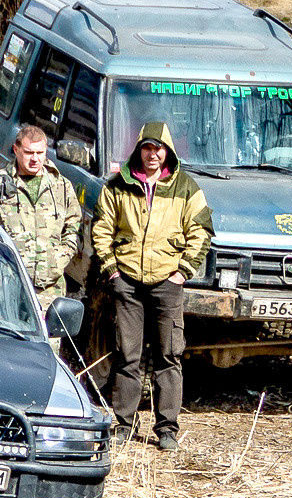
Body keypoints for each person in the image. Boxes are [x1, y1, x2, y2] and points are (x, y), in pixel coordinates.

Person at [90, 121, 212, 452]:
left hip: (167, 284)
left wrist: (182, 272)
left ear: (167, 152)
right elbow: (101, 226)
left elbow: (201, 230)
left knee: (168, 357)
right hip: (127, 282)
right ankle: (124, 424)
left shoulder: (185, 187)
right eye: (147, 147)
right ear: (138, 149)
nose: (152, 154)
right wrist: (112, 270)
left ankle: (167, 429)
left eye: (159, 148)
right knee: (127, 355)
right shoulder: (118, 185)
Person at [3, 126, 89, 303]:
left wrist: (60, 258)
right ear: (16, 150)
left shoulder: (61, 186)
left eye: (40, 153)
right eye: (29, 153)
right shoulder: (1, 185)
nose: (35, 159)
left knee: (50, 331)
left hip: (50, 289)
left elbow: (75, 227)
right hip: (8, 284)